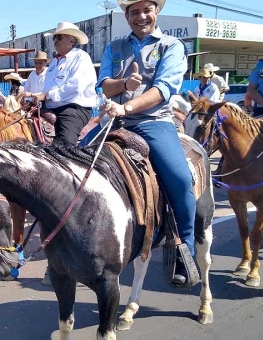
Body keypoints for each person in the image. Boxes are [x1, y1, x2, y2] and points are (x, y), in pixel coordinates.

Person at [99, 0, 196, 285]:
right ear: (126, 15)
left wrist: (128, 106)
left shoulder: (171, 46)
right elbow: (103, 84)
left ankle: (184, 249)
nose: (141, 16)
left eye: (146, 10)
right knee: (76, 163)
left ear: (156, 11)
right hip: (115, 121)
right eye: (134, 12)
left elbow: (163, 89)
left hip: (153, 123)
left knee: (180, 179)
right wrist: (123, 85)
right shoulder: (113, 47)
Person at [34, 22, 96, 146]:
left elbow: (76, 86)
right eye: (54, 38)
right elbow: (47, 88)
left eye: (59, 37)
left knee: (64, 144)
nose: (55, 40)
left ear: (71, 41)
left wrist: (47, 95)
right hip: (49, 106)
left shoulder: (81, 57)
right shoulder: (53, 63)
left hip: (73, 108)